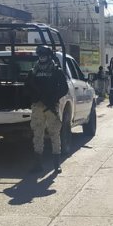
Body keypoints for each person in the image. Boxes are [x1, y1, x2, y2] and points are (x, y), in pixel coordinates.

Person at [25, 45, 69, 174]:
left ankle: (56, 165)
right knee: (37, 134)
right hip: (37, 106)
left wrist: (52, 98)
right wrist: (35, 97)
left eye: (44, 54)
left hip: (51, 106)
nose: (42, 57)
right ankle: (38, 164)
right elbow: (26, 87)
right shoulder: (33, 71)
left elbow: (64, 88)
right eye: (40, 54)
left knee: (54, 134)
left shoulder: (56, 70)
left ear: (49, 56)